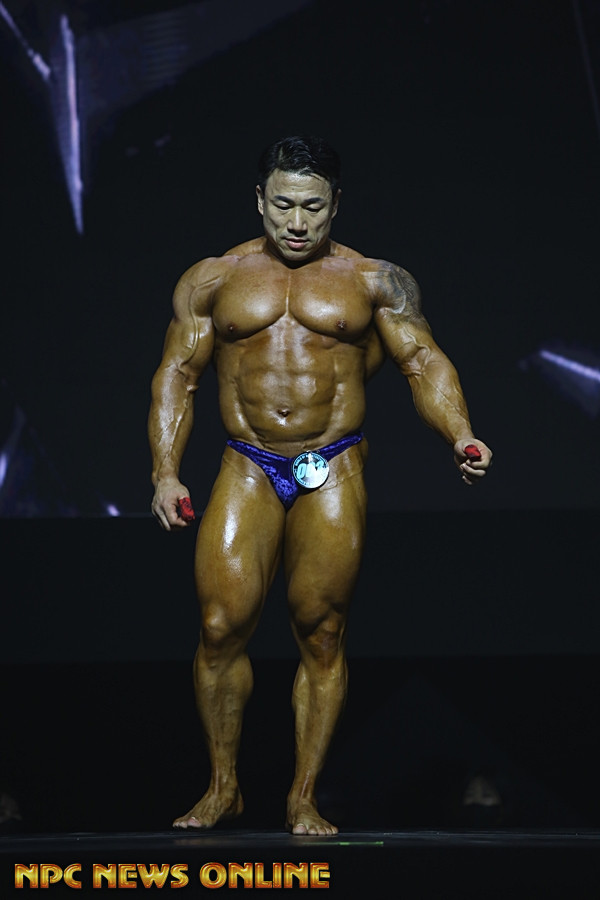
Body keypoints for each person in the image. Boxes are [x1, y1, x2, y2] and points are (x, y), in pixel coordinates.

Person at [148, 135, 492, 836]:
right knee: (219, 626)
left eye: (312, 206)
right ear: (259, 200)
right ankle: (223, 787)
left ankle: (303, 796)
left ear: (336, 204)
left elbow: (422, 361)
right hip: (248, 461)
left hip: (331, 463)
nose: (297, 222)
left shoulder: (374, 280)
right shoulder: (212, 279)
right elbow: (177, 376)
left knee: (322, 631)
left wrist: (460, 433)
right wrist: (164, 471)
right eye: (283, 205)